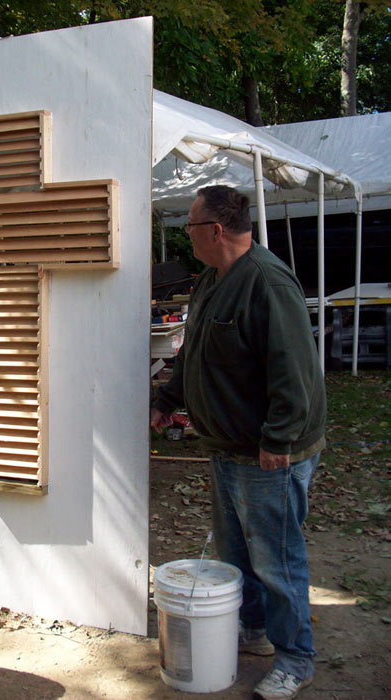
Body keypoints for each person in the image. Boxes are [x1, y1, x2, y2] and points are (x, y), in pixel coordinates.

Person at [151, 185, 326, 700]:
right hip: (226, 447)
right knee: (236, 553)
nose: (186, 236)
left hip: (267, 451)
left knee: (276, 558)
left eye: (189, 227)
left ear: (215, 231)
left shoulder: (266, 282)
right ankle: (251, 630)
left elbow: (294, 369)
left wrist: (281, 438)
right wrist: (168, 398)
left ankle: (296, 657)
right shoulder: (210, 280)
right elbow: (195, 352)